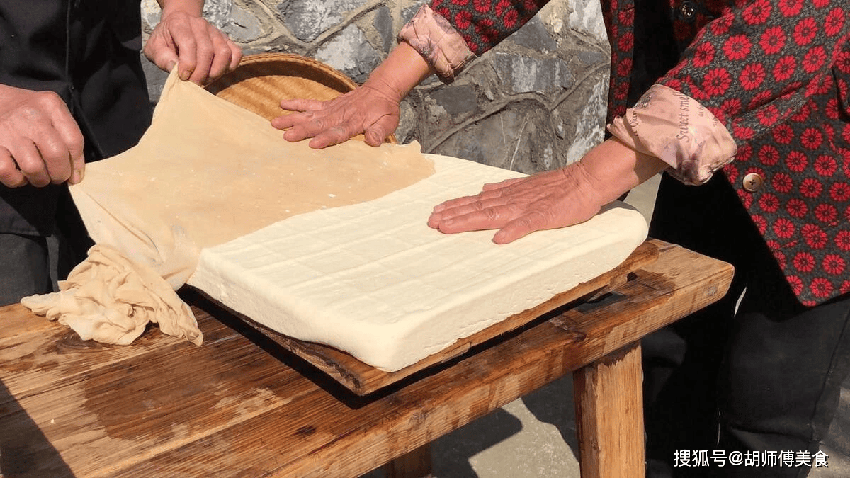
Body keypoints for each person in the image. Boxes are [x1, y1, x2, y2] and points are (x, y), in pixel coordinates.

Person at [272, 0, 850, 476]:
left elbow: (789, 20)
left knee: (768, 403)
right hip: (689, 153)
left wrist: (590, 177)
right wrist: (384, 86)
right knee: (670, 349)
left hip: (826, 179)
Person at [0, 0, 241, 306]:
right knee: (19, 336)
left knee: (158, 307)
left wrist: (182, 12)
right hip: (6, 161)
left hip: (112, 110)